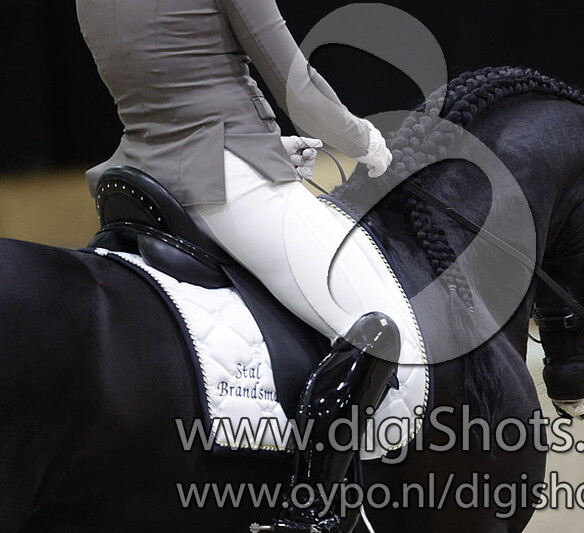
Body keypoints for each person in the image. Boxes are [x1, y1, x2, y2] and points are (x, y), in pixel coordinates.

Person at [76, 1, 417, 531]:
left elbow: (164, 80)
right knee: (379, 325)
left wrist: (267, 145)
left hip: (142, 175)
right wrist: (365, 142)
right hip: (222, 177)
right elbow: (296, 85)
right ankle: (315, 512)